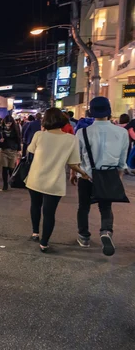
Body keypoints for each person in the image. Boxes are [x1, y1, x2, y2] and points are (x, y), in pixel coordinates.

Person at [25, 108, 90, 253]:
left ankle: (35, 232)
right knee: (49, 213)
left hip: (35, 178)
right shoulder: (71, 139)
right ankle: (44, 243)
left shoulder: (39, 135)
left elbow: (31, 150)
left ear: (45, 120)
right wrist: (82, 174)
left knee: (35, 206)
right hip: (55, 181)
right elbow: (73, 163)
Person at [71, 97, 130, 256]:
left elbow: (76, 157)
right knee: (105, 206)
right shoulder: (122, 132)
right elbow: (122, 160)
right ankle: (106, 231)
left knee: (83, 206)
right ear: (109, 111)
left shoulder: (82, 132)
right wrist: (119, 175)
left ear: (91, 112)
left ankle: (84, 237)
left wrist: (75, 173)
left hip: (86, 175)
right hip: (109, 174)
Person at [0, 115, 21, 191]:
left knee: (11, 168)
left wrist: (19, 150)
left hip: (12, 150)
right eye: (6, 123)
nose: (8, 125)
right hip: (3, 149)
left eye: (9, 123)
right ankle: (5, 185)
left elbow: (18, 139)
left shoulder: (15, 128)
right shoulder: (1, 128)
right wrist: (0, 140)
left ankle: (12, 182)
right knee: (4, 167)